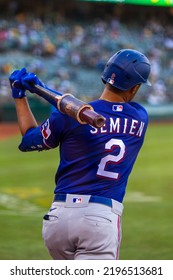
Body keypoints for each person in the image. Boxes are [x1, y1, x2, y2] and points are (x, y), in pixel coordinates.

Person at [9, 49, 151, 260]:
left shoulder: (64, 117)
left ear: (105, 76)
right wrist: (43, 91)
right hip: (99, 219)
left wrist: (20, 96)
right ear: (135, 88)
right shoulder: (140, 116)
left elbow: (28, 140)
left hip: (57, 220)